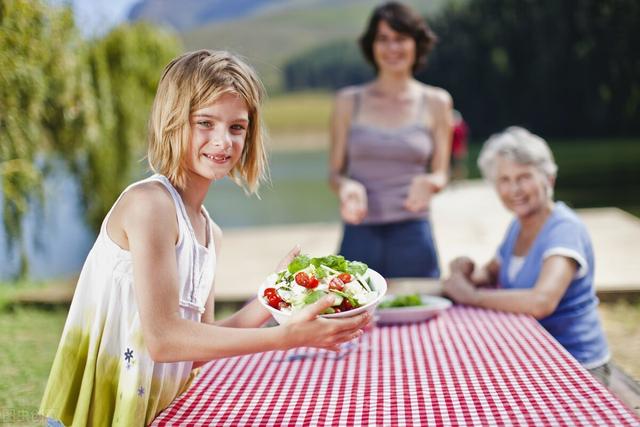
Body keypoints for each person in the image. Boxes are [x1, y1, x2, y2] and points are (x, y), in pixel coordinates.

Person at [39, 50, 371, 426]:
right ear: (172, 122)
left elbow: (197, 347)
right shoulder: (149, 204)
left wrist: (273, 296)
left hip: (155, 414)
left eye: (236, 127)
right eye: (205, 123)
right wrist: (285, 338)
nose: (223, 142)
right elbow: (164, 340)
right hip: (98, 413)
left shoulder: (209, 231)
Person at [443, 126, 610, 383]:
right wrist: (463, 269)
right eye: (504, 180)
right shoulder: (519, 225)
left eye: (524, 177)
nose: (514, 189)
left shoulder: (565, 228)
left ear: (548, 178)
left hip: (578, 367)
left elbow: (541, 301)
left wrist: (472, 296)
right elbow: (490, 272)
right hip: (535, 356)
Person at [329, 1, 453, 278]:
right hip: (358, 234)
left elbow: (442, 173)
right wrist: (346, 187)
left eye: (400, 39)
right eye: (383, 39)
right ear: (371, 46)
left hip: (413, 233)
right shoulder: (348, 102)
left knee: (421, 315)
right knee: (351, 316)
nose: (392, 48)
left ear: (416, 44)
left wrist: (431, 182)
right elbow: (334, 173)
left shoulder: (436, 101)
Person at [450, 109, 469, 180]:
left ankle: (459, 179)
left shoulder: (457, 128)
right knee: (458, 165)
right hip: (458, 149)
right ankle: (459, 179)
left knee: (458, 165)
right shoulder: (462, 126)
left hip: (457, 149)